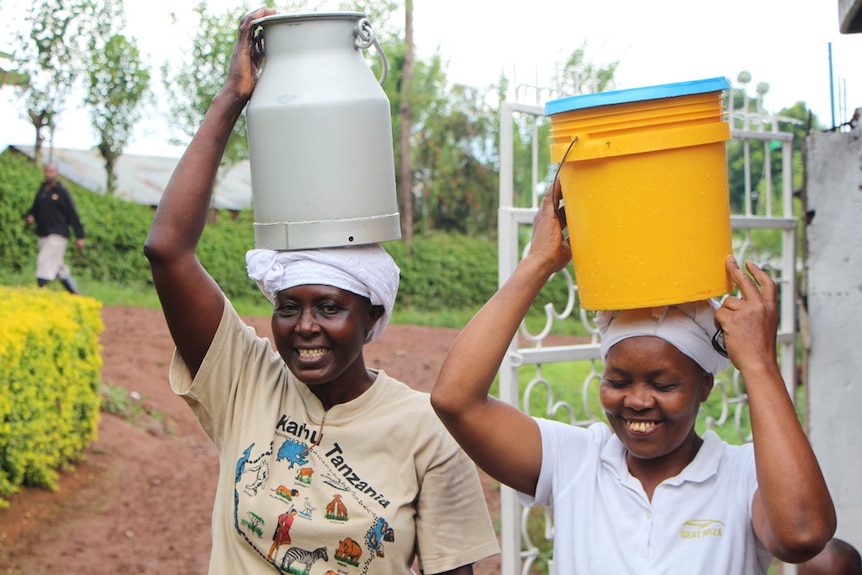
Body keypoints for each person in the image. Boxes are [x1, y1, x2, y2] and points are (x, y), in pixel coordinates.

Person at [143, 7, 499, 575]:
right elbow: (168, 251)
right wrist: (233, 97)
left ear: (371, 315)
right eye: (288, 306)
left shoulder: (426, 430)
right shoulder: (245, 379)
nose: (304, 325)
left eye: (329, 307)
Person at [431, 178, 836, 574]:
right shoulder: (576, 462)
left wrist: (760, 365)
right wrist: (539, 262)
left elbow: (801, 534)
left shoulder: (743, 475)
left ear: (705, 385)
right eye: (619, 381)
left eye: (663, 385)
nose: (638, 400)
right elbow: (456, 400)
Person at [23, 162, 85, 294]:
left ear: (56, 173)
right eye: (46, 171)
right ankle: (75, 292)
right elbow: (35, 209)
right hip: (43, 233)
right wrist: (31, 216)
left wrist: (79, 236)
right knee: (57, 267)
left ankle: (41, 291)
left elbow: (72, 214)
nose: (48, 174)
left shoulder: (62, 192)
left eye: (51, 172)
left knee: (44, 261)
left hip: (58, 234)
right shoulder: (42, 191)